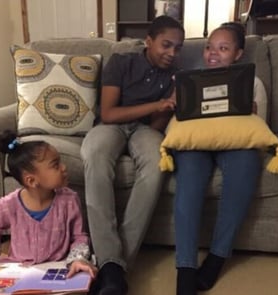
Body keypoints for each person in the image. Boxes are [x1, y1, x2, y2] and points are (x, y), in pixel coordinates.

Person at [80, 15, 185, 295]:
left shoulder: (176, 76)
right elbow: (109, 113)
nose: (172, 53)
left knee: (157, 163)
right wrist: (158, 103)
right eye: (166, 45)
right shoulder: (121, 62)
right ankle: (114, 269)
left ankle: (112, 268)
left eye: (178, 47)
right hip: (111, 126)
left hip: (144, 130)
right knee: (96, 155)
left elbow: (155, 127)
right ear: (148, 41)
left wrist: (169, 107)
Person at [174, 22, 267, 295]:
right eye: (209, 47)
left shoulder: (254, 82)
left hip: (236, 145)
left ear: (238, 54)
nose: (213, 54)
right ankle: (186, 270)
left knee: (248, 165)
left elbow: (260, 129)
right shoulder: (190, 79)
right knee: (189, 179)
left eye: (223, 48)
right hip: (197, 145)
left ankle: (217, 258)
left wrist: (250, 111)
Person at [0, 130, 97, 280]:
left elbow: (79, 236)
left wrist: (78, 259)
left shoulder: (69, 200)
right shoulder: (8, 205)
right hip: (19, 272)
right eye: (56, 165)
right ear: (31, 180)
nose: (64, 167)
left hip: (57, 270)